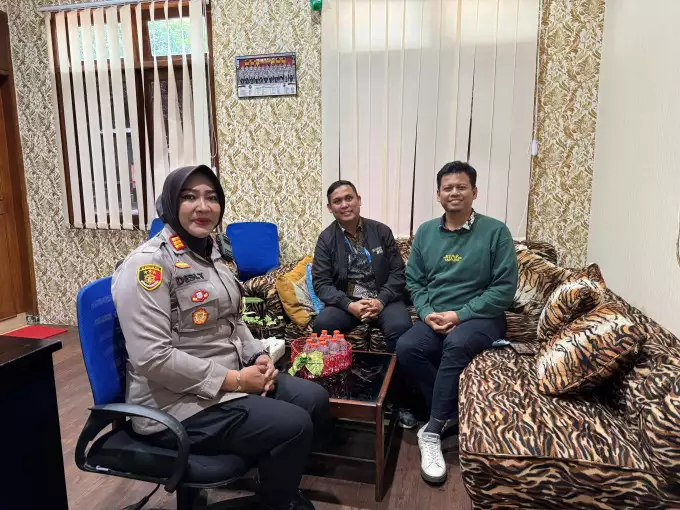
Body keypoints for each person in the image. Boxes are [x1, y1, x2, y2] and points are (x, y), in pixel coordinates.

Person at [112, 165, 329, 510]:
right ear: (170, 204)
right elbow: (153, 358)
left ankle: (277, 488)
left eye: (212, 198)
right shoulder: (148, 265)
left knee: (313, 399)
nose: (203, 206)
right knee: (295, 424)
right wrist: (237, 380)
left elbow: (232, 317)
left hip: (225, 380)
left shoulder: (211, 252)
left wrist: (256, 355)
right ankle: (275, 503)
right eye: (189, 197)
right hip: (174, 404)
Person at [396, 161, 518, 485]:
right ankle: (454, 414)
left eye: (461, 187)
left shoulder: (496, 232)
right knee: (407, 347)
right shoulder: (425, 232)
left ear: (474, 192)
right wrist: (426, 313)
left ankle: (432, 430)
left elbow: (504, 289)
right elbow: (415, 281)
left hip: (481, 317)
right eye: (447, 188)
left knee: (457, 342)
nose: (454, 192)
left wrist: (460, 315)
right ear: (438, 195)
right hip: (435, 316)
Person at [311, 180, 412, 353]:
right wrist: (349, 305)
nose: (344, 205)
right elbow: (321, 283)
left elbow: (398, 272)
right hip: (347, 302)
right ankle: (337, 370)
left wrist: (380, 301)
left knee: (400, 327)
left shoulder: (381, 231)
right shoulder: (326, 239)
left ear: (359, 200)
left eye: (349, 198)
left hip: (385, 299)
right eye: (337, 201)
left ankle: (390, 371)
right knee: (323, 323)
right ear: (330, 208)